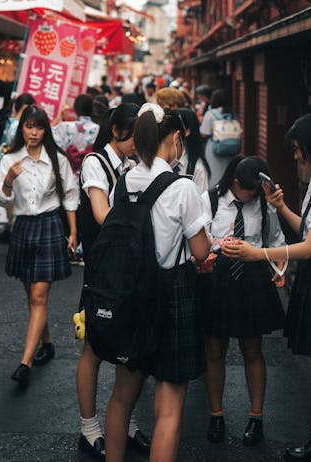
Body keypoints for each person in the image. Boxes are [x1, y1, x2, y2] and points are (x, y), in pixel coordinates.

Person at [223, 114, 311, 462]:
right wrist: (282, 207)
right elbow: (308, 232)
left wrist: (259, 254)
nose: (296, 156)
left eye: (299, 150)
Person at [104, 103, 211, 462]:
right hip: (171, 292)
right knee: (169, 406)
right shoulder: (182, 187)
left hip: (130, 292)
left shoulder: (125, 180)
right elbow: (200, 251)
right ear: (175, 139)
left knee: (122, 397)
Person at [76, 102, 150, 459]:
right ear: (118, 131)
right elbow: (101, 212)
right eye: (136, 135)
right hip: (101, 270)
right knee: (94, 345)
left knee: (127, 344)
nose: (139, 142)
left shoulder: (131, 165)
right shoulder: (96, 162)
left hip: (126, 268)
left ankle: (127, 423)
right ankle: (89, 428)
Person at [199, 156, 286, 447]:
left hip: (253, 277)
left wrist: (279, 270)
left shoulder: (263, 204)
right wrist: (213, 248)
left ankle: (256, 417)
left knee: (252, 349)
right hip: (217, 276)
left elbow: (275, 240)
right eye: (250, 190)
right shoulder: (209, 199)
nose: (254, 195)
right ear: (235, 183)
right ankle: (216, 415)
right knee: (214, 349)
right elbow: (196, 238)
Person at [0, 105, 79, 389]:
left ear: (46, 130)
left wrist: (74, 232)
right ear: (22, 129)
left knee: (39, 297)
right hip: (23, 228)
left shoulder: (57, 159)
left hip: (49, 226)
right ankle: (48, 343)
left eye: (39, 127)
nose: (33, 132)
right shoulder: (10, 160)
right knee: (31, 294)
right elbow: (1, 201)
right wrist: (7, 182)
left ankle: (25, 362)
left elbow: (70, 195)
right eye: (29, 126)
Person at [51, 94, 99, 172]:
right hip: (89, 171)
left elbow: (48, 130)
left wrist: (60, 115)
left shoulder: (65, 127)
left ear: (75, 109)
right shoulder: (97, 129)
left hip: (66, 170)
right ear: (92, 109)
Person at [200, 89, 239, 182]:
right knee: (227, 172)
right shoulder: (232, 114)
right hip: (231, 148)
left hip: (214, 148)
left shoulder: (211, 114)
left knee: (214, 172)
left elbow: (204, 133)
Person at [177, 108, 210, 193]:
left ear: (187, 132)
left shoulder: (198, 168)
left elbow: (201, 203)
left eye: (175, 127)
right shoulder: (165, 159)